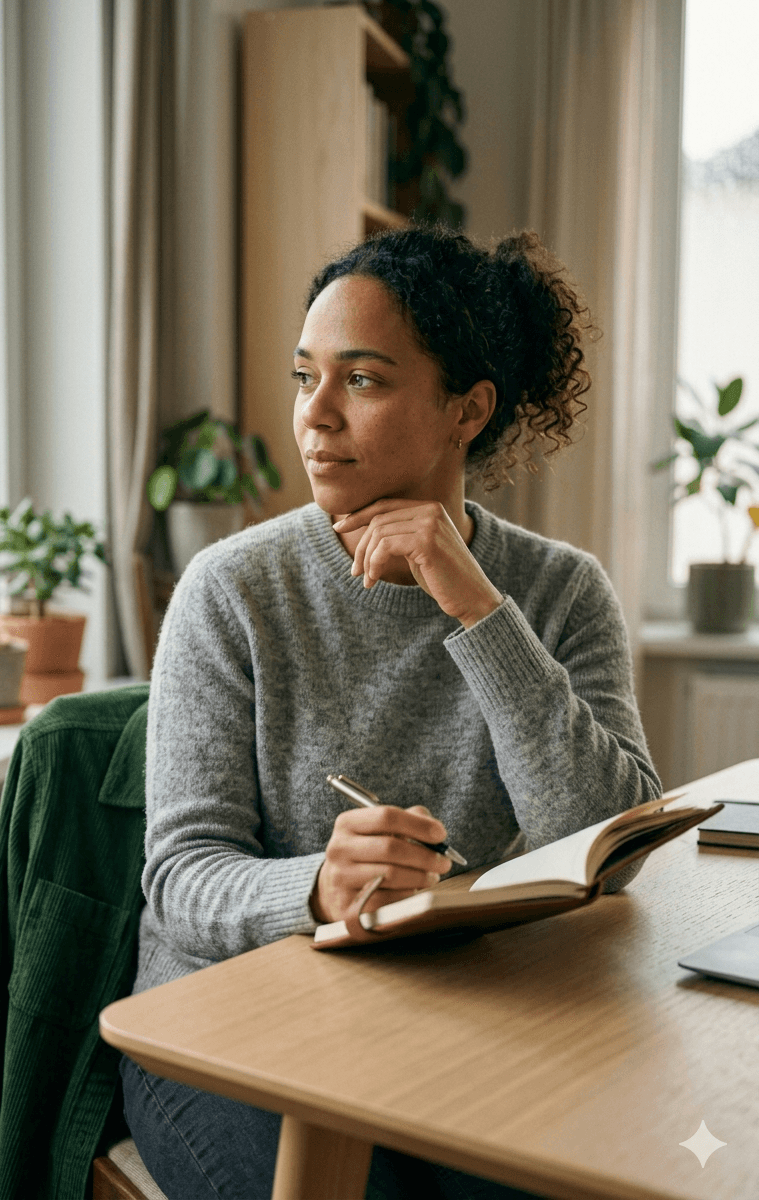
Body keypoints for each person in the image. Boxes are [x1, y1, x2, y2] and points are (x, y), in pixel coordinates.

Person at [120, 226, 661, 1200]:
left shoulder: (561, 592)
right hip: (232, 1034)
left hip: (465, 1022)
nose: (313, 416)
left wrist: (475, 605)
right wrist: (317, 889)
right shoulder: (230, 590)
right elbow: (180, 882)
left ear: (466, 407)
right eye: (302, 377)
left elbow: (608, 849)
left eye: (361, 381)